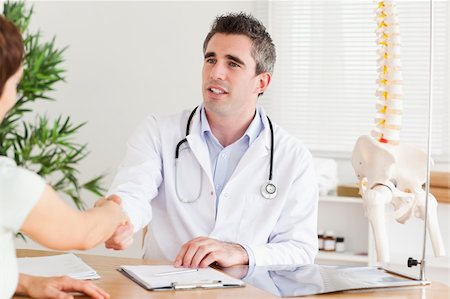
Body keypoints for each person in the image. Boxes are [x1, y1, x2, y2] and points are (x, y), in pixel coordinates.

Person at [105, 12, 319, 268]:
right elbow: (133, 193)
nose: (216, 72)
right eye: (211, 59)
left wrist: (241, 252)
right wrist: (119, 218)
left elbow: (300, 248)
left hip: (247, 292)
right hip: (164, 287)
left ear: (261, 82)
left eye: (233, 64)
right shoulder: (158, 132)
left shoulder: (292, 157)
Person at [0, 15, 127, 299]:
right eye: (15, 83)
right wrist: (115, 209)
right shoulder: (7, 183)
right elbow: (83, 233)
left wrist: (23, 282)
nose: (16, 96)